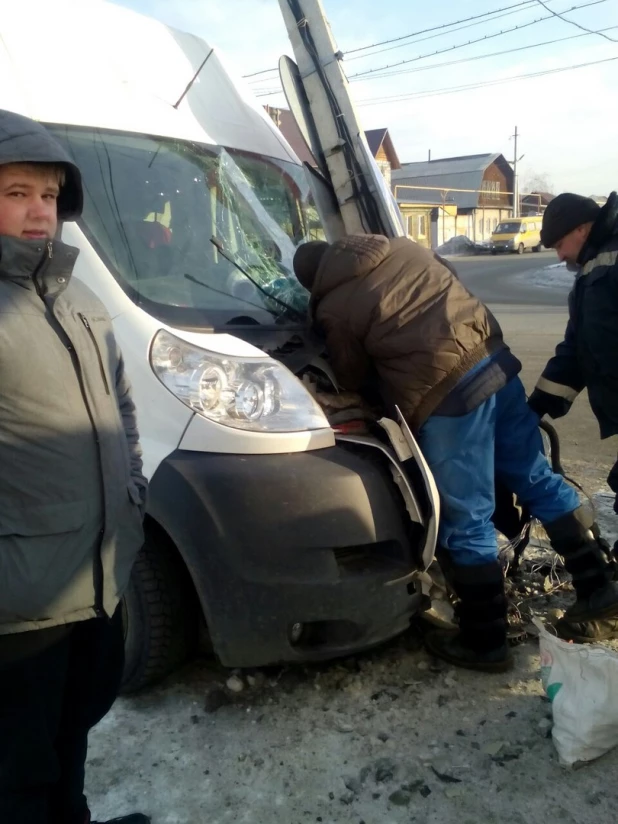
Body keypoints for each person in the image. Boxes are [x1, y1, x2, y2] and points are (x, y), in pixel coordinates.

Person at [293, 233, 618, 673]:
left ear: (315, 283)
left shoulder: (334, 303)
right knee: (535, 476)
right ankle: (600, 591)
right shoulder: (403, 248)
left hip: (446, 395)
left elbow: (350, 372)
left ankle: (485, 642)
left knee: (467, 519)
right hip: (495, 363)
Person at [0, 109, 150, 824]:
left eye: (50, 197)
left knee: (73, 739)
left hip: (97, 577)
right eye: (16, 192)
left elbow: (121, 411)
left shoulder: (80, 297)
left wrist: (132, 490)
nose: (38, 213)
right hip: (18, 604)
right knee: (16, 772)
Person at [530, 191, 618, 527]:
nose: (560, 255)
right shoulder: (592, 271)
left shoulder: (608, 264)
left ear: (582, 229)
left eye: (559, 244)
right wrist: (537, 405)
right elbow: (579, 348)